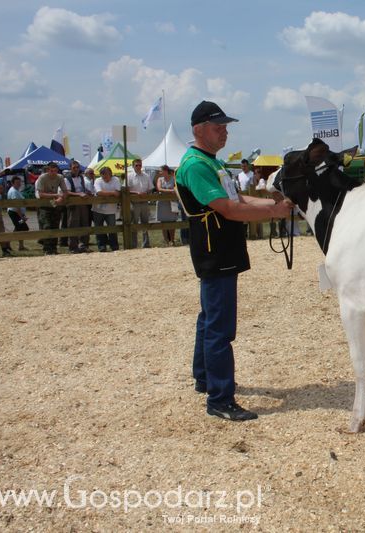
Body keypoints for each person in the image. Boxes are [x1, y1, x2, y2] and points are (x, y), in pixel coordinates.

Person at [175, 100, 293, 422]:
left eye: (226, 126)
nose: (225, 131)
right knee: (220, 326)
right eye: (218, 127)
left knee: (209, 317)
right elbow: (228, 209)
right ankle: (220, 398)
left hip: (220, 249)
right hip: (216, 250)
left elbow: (237, 198)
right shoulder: (197, 165)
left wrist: (272, 203)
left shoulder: (211, 162)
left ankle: (205, 378)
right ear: (199, 130)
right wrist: (271, 211)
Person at [33, 161, 68, 255]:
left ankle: (54, 248)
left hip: (54, 202)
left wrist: (60, 198)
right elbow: (40, 194)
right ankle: (47, 249)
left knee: (55, 225)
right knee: (46, 226)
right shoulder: (42, 177)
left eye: (55, 171)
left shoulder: (60, 177)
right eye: (52, 171)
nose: (53, 173)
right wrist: (56, 195)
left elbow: (65, 191)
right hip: (44, 204)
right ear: (48, 170)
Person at [64, 160, 92, 253]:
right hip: (73, 205)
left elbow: (82, 188)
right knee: (73, 225)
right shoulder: (66, 178)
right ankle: (73, 247)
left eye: (77, 167)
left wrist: (86, 191)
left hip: (83, 204)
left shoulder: (81, 177)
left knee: (85, 224)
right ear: (70, 168)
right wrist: (79, 194)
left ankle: (83, 245)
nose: (76, 169)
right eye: (74, 168)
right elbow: (67, 192)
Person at [92, 166, 121, 252]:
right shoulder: (98, 180)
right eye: (104, 175)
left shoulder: (115, 179)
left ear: (111, 174)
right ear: (101, 175)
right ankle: (102, 246)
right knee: (99, 229)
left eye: (108, 174)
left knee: (112, 229)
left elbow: (118, 193)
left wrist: (106, 193)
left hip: (111, 210)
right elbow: (99, 192)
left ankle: (114, 247)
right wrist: (112, 193)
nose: (106, 177)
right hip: (98, 209)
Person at [126, 158, 153, 248]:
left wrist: (147, 193)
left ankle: (146, 244)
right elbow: (126, 190)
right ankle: (134, 244)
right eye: (136, 165)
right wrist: (137, 193)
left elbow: (150, 188)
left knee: (145, 223)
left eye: (140, 165)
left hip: (145, 202)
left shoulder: (146, 176)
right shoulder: (129, 176)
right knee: (134, 224)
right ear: (133, 166)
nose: (138, 167)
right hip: (134, 203)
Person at [155, 165, 178, 245]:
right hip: (162, 204)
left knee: (172, 222)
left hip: (172, 203)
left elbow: (176, 189)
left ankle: (172, 240)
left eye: (161, 171)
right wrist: (170, 191)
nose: (160, 172)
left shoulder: (173, 179)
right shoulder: (159, 179)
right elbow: (159, 189)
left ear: (165, 171)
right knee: (163, 222)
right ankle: (166, 241)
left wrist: (170, 191)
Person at [6, 175, 29, 251]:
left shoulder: (17, 190)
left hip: (18, 213)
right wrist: (22, 216)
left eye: (20, 182)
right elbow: (16, 206)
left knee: (19, 228)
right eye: (17, 183)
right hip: (15, 213)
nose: (19, 184)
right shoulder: (13, 191)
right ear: (12, 183)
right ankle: (8, 243)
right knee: (23, 228)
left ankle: (20, 246)